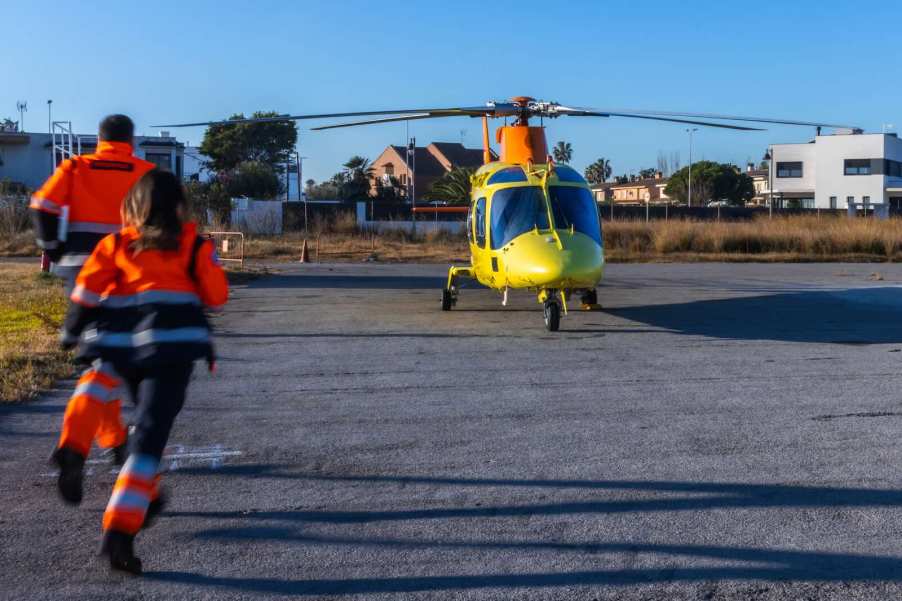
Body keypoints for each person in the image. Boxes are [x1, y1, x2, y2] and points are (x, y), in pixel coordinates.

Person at [55, 169, 228, 574]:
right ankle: (119, 531)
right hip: (171, 354)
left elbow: (86, 293)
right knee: (148, 439)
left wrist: (71, 331)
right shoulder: (192, 245)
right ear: (179, 207)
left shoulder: (115, 243)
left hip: (119, 345)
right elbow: (217, 297)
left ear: (131, 207)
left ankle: (73, 443)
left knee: (96, 379)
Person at [34, 115, 155, 466]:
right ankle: (102, 443)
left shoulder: (74, 167)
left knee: (102, 358)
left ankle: (114, 440)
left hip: (81, 270)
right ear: (130, 140)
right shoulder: (145, 171)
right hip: (128, 274)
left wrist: (53, 246)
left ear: (99, 139)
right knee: (116, 359)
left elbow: (43, 206)